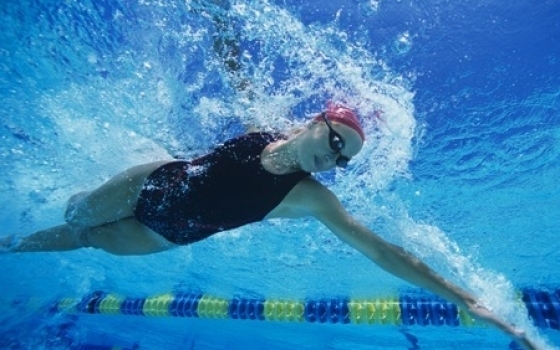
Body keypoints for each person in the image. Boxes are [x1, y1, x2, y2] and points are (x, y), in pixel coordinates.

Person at [2, 103, 541, 349]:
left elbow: (381, 252)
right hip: (151, 184)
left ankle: (9, 245)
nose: (334, 159)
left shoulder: (309, 198)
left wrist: (467, 300)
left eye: (344, 159)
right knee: (75, 212)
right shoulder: (264, 127)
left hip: (164, 236)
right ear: (318, 122)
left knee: (87, 237)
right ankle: (33, 203)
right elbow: (235, 66)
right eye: (335, 143)